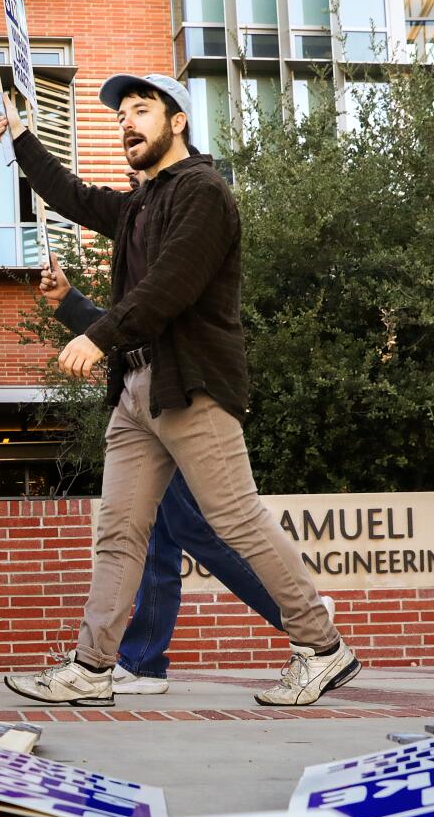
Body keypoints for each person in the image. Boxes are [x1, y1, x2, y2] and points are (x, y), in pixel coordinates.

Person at [0, 73, 357, 707]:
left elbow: (170, 286)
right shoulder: (141, 203)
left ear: (178, 121)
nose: (127, 122)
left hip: (190, 387)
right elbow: (71, 196)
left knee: (237, 519)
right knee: (120, 531)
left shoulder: (204, 193)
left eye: (142, 110)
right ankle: (92, 666)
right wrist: (21, 138)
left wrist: (96, 335)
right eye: (121, 115)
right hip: (136, 394)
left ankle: (321, 647)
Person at [38, 249, 331, 693]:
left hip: (181, 403)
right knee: (150, 536)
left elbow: (147, 330)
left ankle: (302, 618)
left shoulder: (177, 252)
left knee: (202, 526)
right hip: (143, 412)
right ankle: (139, 661)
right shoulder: (145, 248)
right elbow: (132, 336)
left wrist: (84, 319)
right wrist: (69, 301)